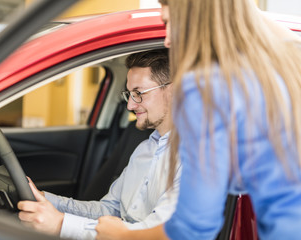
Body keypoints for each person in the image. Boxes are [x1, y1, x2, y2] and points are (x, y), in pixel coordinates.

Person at [96, 0, 301, 239]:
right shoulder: (290, 58)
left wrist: (121, 234)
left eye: (168, 22)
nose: (167, 40)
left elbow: (193, 228)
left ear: (194, 18)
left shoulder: (209, 89)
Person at [17, 49, 181, 239]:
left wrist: (61, 224)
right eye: (129, 94)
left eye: (139, 93)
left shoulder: (195, 161)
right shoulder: (144, 150)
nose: (130, 105)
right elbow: (109, 210)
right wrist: (48, 200)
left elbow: (157, 234)